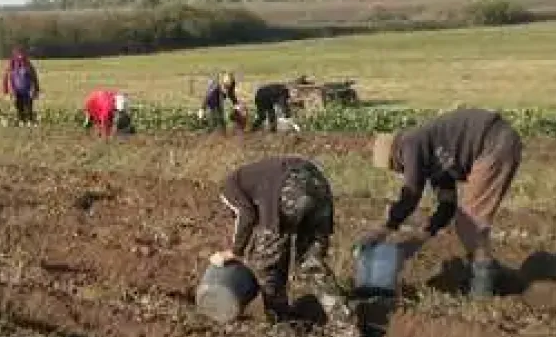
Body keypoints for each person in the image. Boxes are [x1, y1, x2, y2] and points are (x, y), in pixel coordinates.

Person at [361, 107, 523, 298]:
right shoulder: (434, 159)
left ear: (396, 156)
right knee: (467, 221)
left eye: (396, 167)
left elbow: (412, 193)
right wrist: (422, 236)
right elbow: (447, 206)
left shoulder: (411, 143)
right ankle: (491, 273)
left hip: (493, 141)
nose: (401, 172)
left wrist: (386, 227)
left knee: (470, 221)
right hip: (498, 141)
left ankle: (483, 288)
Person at [209, 156, 339, 324]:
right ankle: (345, 326)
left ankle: (280, 321)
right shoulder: (254, 178)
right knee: (312, 265)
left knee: (265, 265)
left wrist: (234, 251)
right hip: (318, 183)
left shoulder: (228, 188)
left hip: (290, 187)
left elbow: (246, 215)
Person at [0, 47, 41, 126]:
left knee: (28, 106)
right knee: (19, 106)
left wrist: (36, 90)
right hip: (16, 91)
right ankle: (21, 120)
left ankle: (29, 121)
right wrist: (6, 92)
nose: (21, 56)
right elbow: (5, 79)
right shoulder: (11, 65)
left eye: (22, 54)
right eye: (19, 54)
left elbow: (34, 77)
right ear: (15, 55)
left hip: (27, 91)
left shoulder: (28, 64)